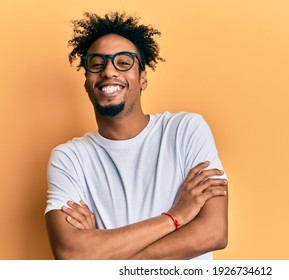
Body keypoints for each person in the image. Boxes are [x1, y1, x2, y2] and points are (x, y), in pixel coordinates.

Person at [44, 11, 228, 260]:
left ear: (142, 78)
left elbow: (214, 232)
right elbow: (70, 253)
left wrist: (105, 259)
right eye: (97, 64)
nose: (109, 72)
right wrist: (176, 217)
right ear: (86, 82)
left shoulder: (185, 130)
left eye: (123, 62)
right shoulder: (69, 158)